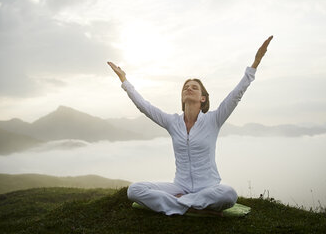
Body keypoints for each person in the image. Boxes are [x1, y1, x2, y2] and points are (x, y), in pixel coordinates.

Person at [107, 36, 273, 216]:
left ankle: (180, 204)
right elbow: (144, 106)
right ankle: (194, 207)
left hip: (208, 188)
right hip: (180, 186)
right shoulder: (172, 122)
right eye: (186, 87)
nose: (189, 88)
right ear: (182, 97)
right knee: (134, 190)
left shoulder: (214, 119)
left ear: (203, 98)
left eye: (194, 87)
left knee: (229, 194)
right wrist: (124, 80)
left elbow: (236, 94)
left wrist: (255, 63)